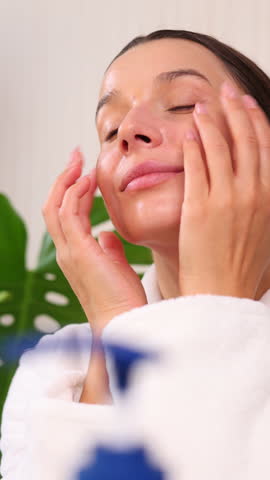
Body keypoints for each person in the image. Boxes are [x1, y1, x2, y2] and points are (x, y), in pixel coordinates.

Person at [1, 28, 270, 479]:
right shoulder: (59, 369)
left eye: (184, 103)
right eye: (109, 129)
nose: (127, 131)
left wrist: (217, 309)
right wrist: (115, 336)